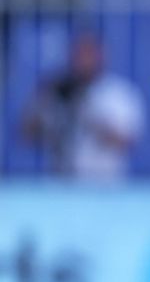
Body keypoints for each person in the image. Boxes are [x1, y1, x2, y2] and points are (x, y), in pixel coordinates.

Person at [22, 33, 143, 181]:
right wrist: (44, 105)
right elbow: (27, 135)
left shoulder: (117, 93)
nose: (83, 61)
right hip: (60, 184)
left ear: (101, 57)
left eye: (89, 55)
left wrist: (90, 115)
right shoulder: (57, 91)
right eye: (79, 55)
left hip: (105, 184)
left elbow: (127, 142)